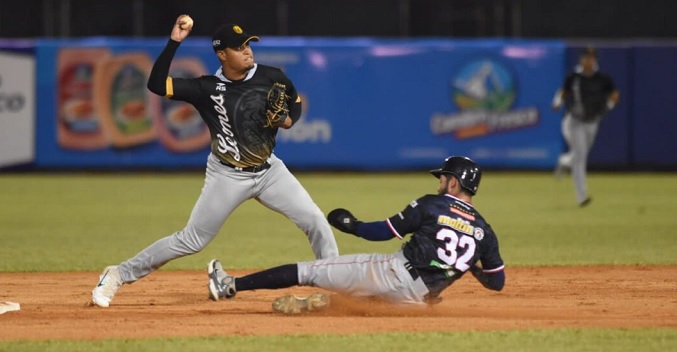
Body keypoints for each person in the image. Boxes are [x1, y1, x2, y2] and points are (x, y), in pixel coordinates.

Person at [91, 15, 339, 308]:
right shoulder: (205, 88)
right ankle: (118, 274)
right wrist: (174, 42)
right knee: (191, 241)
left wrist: (287, 120)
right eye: (239, 47)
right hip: (227, 175)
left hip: (270, 171)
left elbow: (295, 103)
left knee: (315, 221)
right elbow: (157, 85)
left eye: (249, 44)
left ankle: (337, 283)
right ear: (222, 55)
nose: (248, 50)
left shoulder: (271, 76)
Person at [207, 156, 505, 314]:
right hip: (418, 301)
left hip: (390, 274)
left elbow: (383, 232)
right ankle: (309, 306)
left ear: (453, 183)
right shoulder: (484, 231)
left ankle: (229, 285)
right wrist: (472, 265)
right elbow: (497, 283)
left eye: (443, 177)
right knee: (358, 308)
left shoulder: (433, 204)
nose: (440, 182)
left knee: (310, 271)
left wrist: (352, 225)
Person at [552, 47, 620, 207]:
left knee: (579, 155)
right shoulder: (574, 77)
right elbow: (563, 92)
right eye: (585, 57)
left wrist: (609, 106)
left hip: (592, 122)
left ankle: (563, 161)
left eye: (591, 58)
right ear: (581, 59)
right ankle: (582, 196)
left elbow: (614, 94)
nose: (588, 61)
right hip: (574, 121)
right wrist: (557, 102)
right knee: (581, 157)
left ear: (595, 60)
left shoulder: (602, 78)